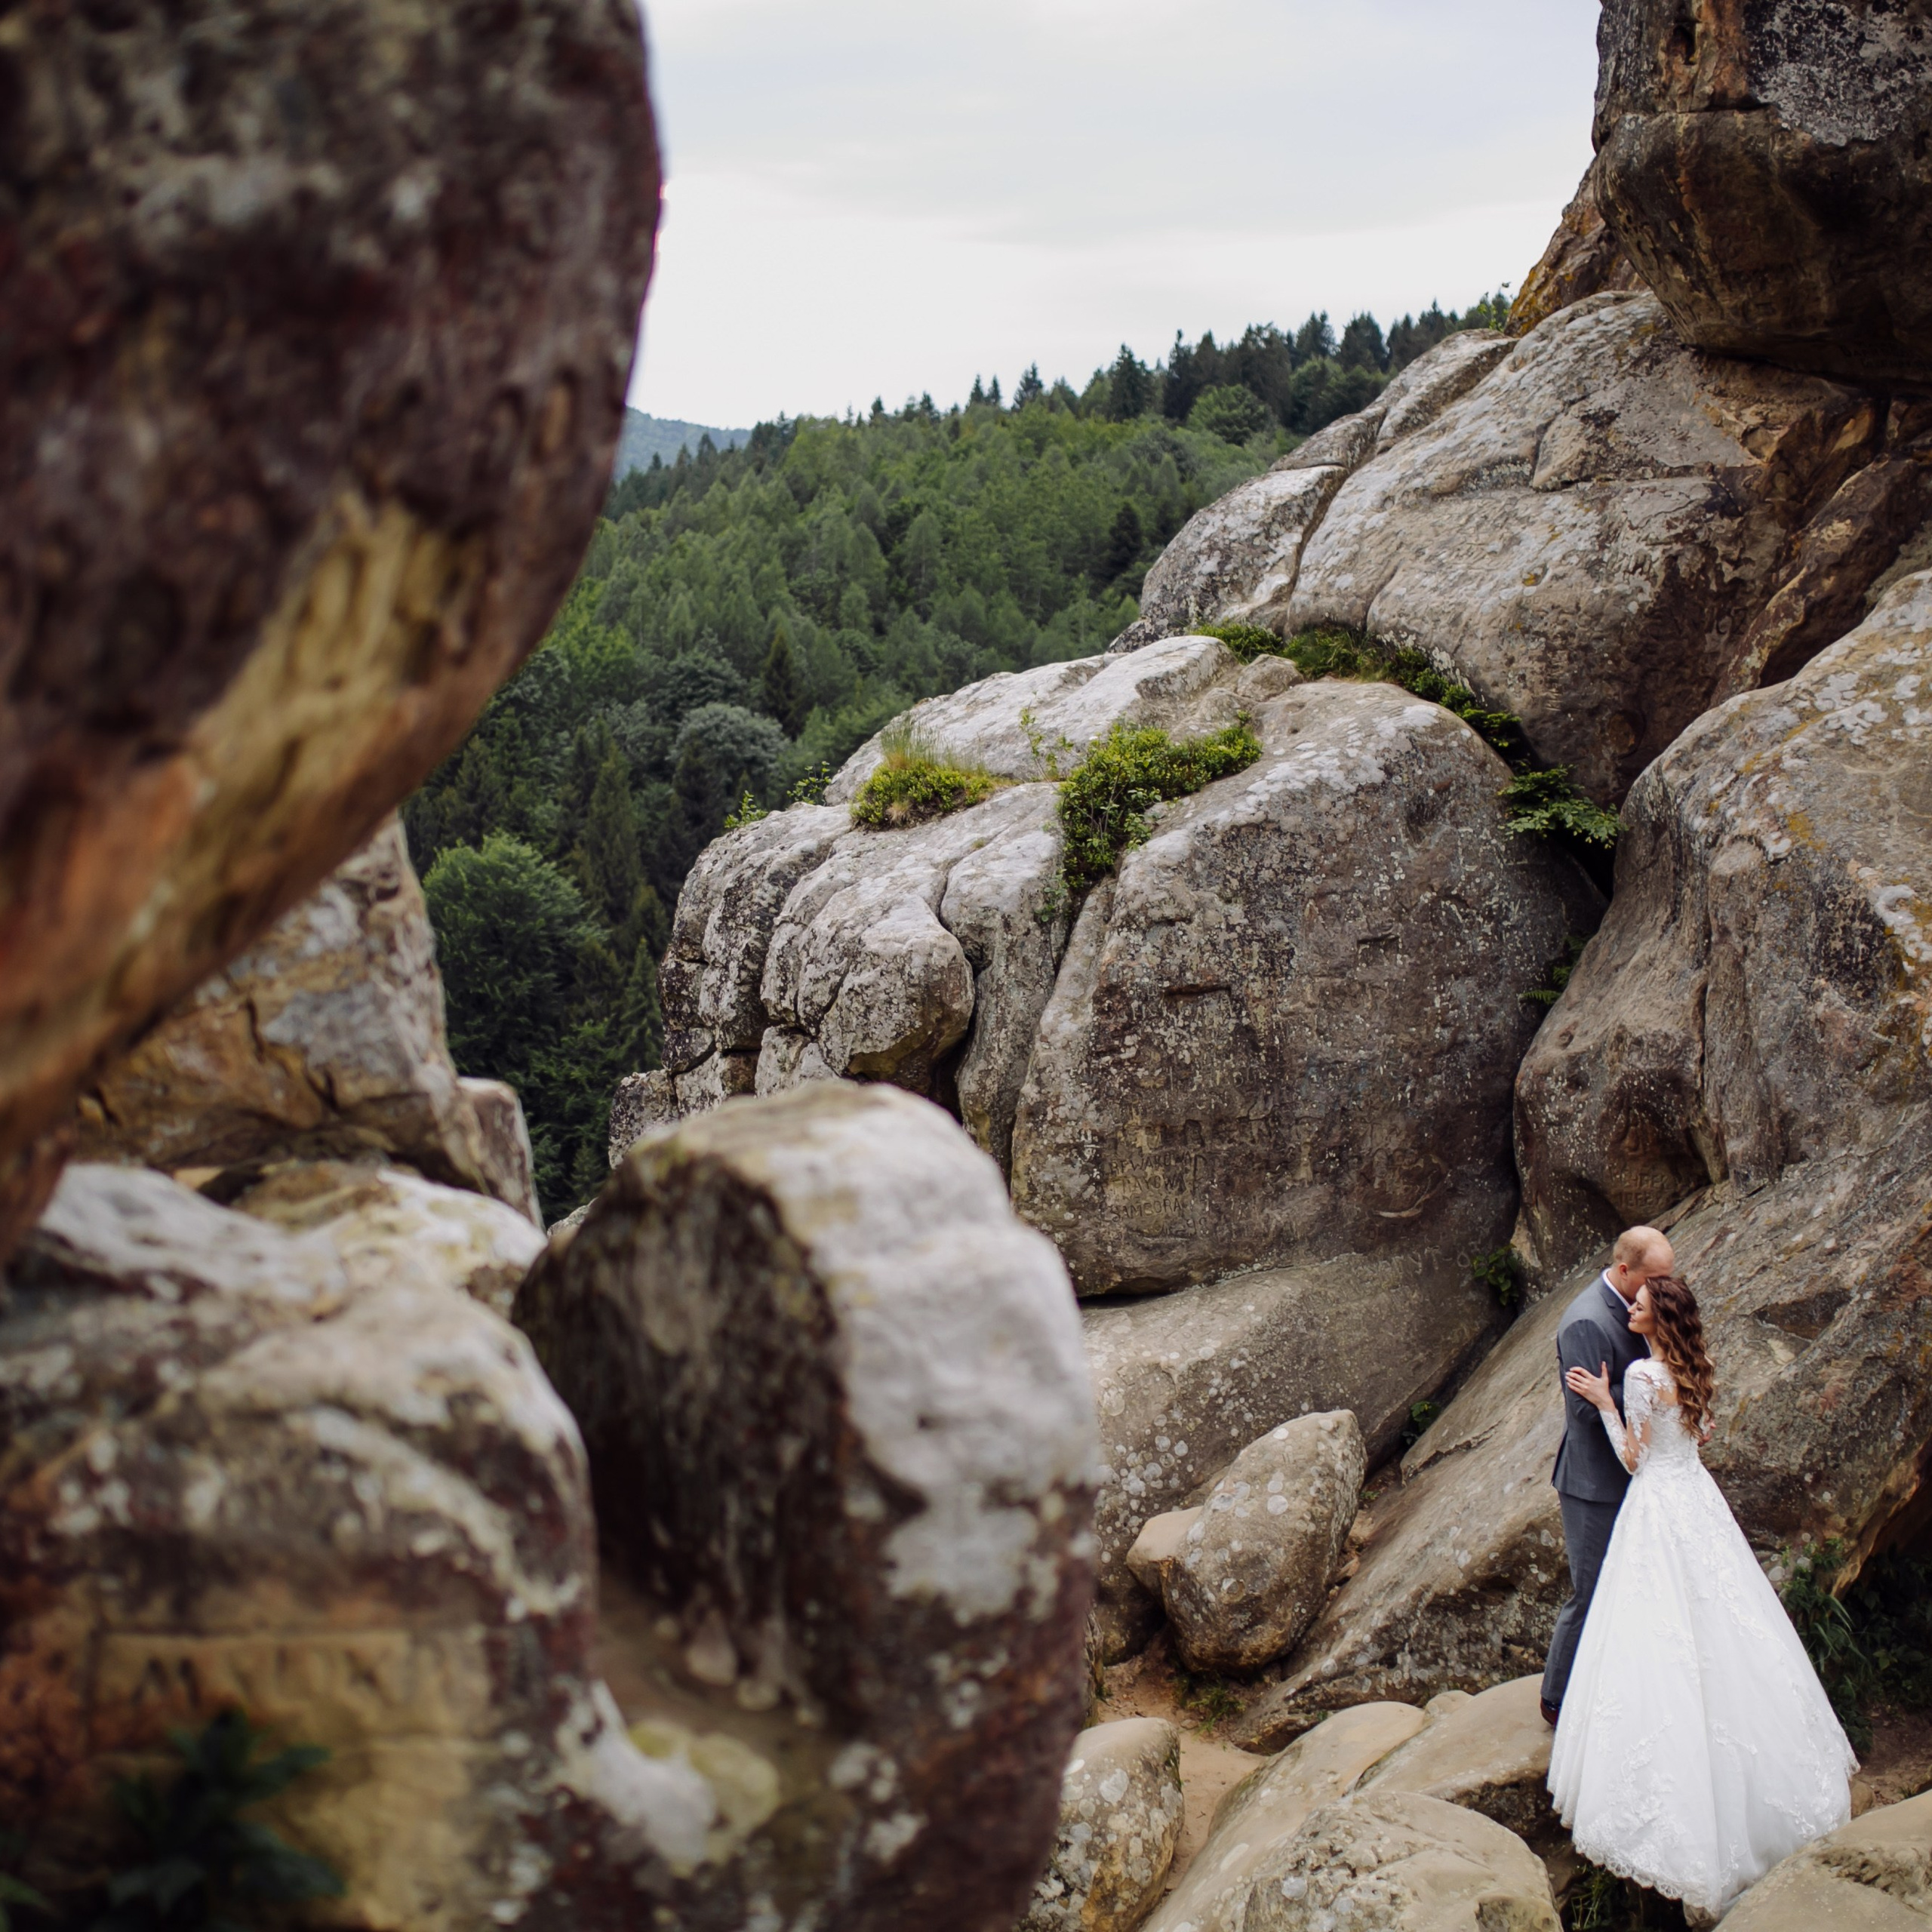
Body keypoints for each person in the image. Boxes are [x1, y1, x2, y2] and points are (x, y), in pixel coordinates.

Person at [1548, 1275, 1856, 1921]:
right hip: (1697, 1499)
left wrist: (1604, 1402)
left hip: (1659, 1504)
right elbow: (1703, 1432)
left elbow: (1634, 1460)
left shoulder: (1639, 1377)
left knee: (1657, 1626)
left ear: (1658, 1319)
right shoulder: (1694, 1367)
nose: (1630, 1311)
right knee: (1726, 1619)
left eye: (1639, 1307)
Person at [1540, 1225, 1672, 1726]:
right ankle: (1556, 1699)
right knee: (1592, 1591)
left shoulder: (1643, 1307)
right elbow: (1583, 1410)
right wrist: (1644, 1387)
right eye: (1655, 1278)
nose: (1664, 1286)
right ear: (1624, 1270)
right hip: (1595, 1484)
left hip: (1642, 1474)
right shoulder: (1586, 1321)